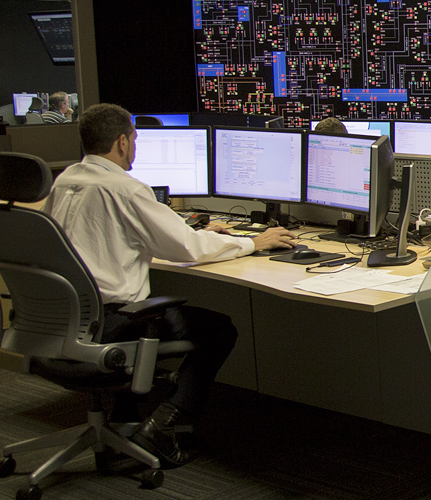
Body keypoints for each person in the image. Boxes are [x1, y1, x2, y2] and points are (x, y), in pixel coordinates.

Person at [44, 104, 298, 466]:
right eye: (134, 139)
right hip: (114, 321)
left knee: (167, 313)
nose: (135, 146)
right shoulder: (125, 189)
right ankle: (164, 424)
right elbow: (188, 250)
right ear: (121, 142)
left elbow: (116, 237)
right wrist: (253, 242)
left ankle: (128, 416)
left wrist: (194, 232)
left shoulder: (66, 180)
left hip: (69, 319)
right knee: (218, 330)